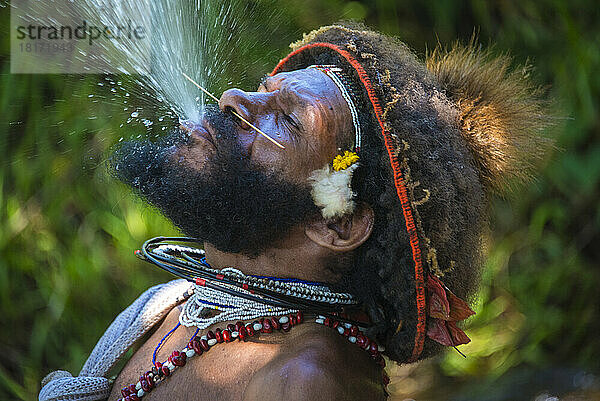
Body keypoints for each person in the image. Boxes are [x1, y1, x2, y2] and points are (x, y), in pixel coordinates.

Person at [39, 22, 550, 401]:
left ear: (337, 223)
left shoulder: (307, 380)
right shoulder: (175, 306)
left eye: (285, 119)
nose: (233, 99)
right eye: (264, 91)